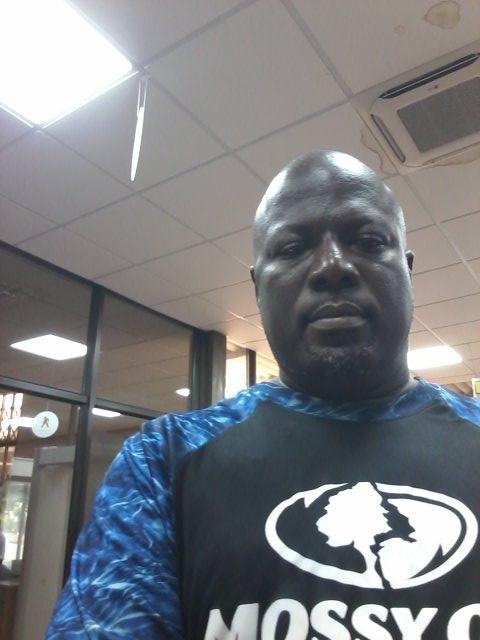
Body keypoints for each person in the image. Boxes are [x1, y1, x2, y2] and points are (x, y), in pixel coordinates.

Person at [47, 151, 480, 639]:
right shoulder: (163, 461)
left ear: (407, 269)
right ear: (258, 288)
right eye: (293, 248)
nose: (332, 266)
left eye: (367, 241)